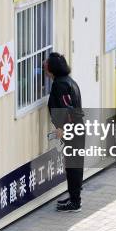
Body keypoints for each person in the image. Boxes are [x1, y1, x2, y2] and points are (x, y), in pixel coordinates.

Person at [44, 52, 85, 212]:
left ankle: (75, 202)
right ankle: (74, 197)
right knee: (74, 164)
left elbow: (66, 108)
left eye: (46, 65)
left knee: (73, 165)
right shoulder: (69, 81)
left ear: (52, 68)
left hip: (72, 128)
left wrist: (61, 127)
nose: (44, 67)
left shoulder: (60, 85)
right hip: (77, 126)